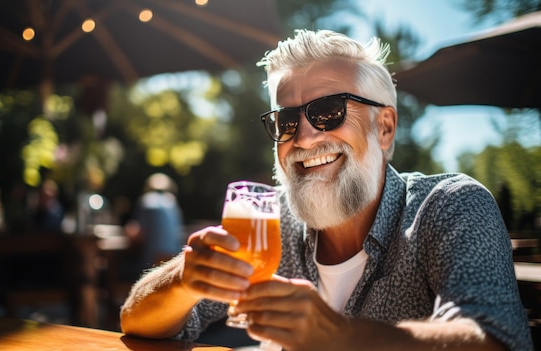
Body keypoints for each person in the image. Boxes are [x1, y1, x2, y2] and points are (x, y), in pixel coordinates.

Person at [119, 30, 532, 351]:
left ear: (384, 128)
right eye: (286, 121)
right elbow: (136, 323)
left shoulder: (449, 206)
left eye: (328, 111)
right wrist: (184, 279)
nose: (303, 138)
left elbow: (495, 339)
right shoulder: (270, 223)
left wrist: (340, 337)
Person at [122, 173, 184, 279]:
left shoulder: (146, 201)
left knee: (119, 266)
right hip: (171, 267)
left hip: (148, 267)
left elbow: (138, 235)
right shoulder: (173, 204)